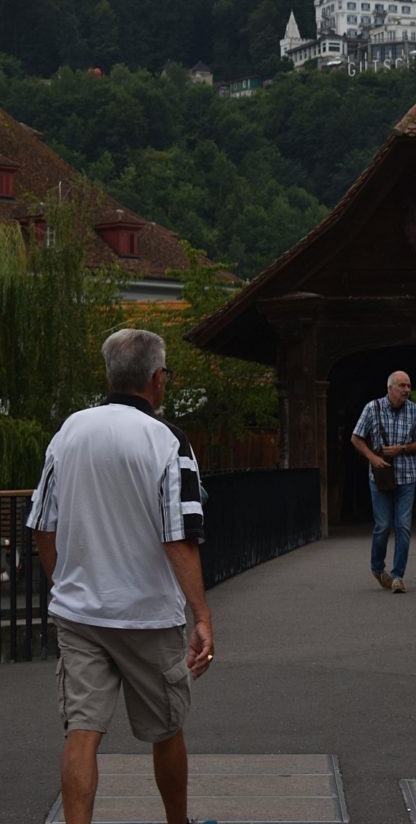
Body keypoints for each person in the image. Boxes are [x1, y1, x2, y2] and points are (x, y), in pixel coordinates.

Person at [27, 328, 214, 824]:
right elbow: (180, 535)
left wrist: (62, 583)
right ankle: (177, 822)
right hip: (147, 615)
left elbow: (43, 525)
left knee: (82, 732)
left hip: (79, 614)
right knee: (167, 728)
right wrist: (201, 616)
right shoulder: (167, 440)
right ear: (157, 379)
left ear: (109, 375)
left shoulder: (68, 431)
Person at [351, 370, 416, 593]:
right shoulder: (372, 408)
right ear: (390, 388)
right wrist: (372, 458)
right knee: (383, 526)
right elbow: (355, 438)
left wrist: (403, 449)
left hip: (407, 476)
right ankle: (377, 568)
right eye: (402, 386)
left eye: (409, 386)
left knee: (403, 526)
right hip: (380, 476)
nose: (407, 390)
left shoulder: (415, 410)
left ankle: (397, 576)